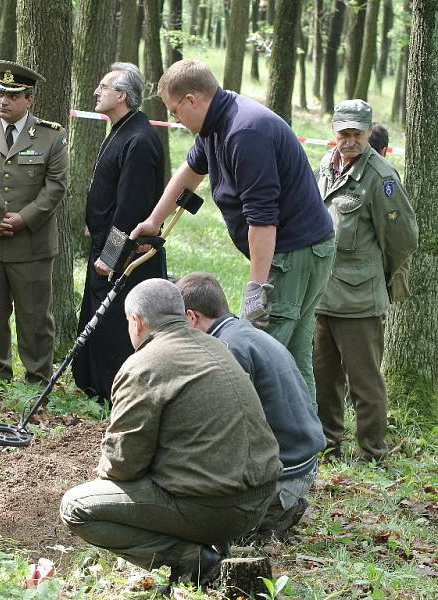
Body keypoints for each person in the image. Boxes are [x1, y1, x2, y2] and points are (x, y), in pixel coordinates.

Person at [131, 59, 336, 402]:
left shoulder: (245, 132)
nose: (176, 120)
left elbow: (262, 218)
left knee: (256, 352)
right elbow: (190, 173)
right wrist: (154, 221)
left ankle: (255, 444)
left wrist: (257, 286)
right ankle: (307, 444)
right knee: (295, 355)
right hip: (303, 249)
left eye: (174, 110)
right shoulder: (216, 125)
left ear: (192, 100)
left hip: (293, 253)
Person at [60, 278, 281, 588]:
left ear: (135, 322)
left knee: (75, 507)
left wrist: (106, 468)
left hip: (217, 508)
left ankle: (200, 564)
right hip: (261, 499)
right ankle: (213, 549)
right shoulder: (217, 345)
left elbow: (123, 465)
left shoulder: (144, 365)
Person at [177, 272, 326, 540]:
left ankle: (271, 513)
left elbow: (225, 430)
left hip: (286, 471)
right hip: (303, 460)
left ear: (191, 317)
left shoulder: (226, 350)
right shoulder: (244, 333)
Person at [314, 100, 418, 462]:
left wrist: (379, 277)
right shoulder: (327, 165)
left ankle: (372, 450)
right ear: (335, 132)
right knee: (324, 377)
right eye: (344, 133)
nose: (350, 141)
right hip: (323, 292)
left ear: (369, 131)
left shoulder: (381, 176)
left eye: (358, 134)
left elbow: (402, 239)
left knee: (364, 381)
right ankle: (328, 444)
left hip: (359, 297)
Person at [0, 60, 69, 384]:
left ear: (29, 99)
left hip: (30, 245)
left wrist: (23, 218)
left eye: (12, 95)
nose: (2, 100)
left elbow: (56, 186)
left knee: (34, 319)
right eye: (0, 92)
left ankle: (37, 381)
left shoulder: (51, 136)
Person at [71, 62, 166, 401]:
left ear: (122, 95)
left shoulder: (139, 139)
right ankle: (93, 384)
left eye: (104, 87)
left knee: (117, 324)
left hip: (125, 257)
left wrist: (112, 255)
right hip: (104, 247)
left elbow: (131, 208)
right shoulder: (122, 128)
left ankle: (117, 392)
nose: (96, 92)